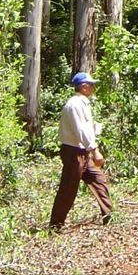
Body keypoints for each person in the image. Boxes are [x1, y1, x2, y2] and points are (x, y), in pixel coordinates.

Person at [49, 72, 112, 229]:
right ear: (83, 87)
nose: (93, 87)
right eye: (91, 85)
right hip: (74, 152)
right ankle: (56, 224)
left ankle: (108, 215)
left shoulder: (82, 103)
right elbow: (80, 131)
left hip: (82, 151)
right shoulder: (75, 104)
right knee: (68, 188)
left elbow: (85, 128)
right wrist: (95, 150)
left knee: (99, 180)